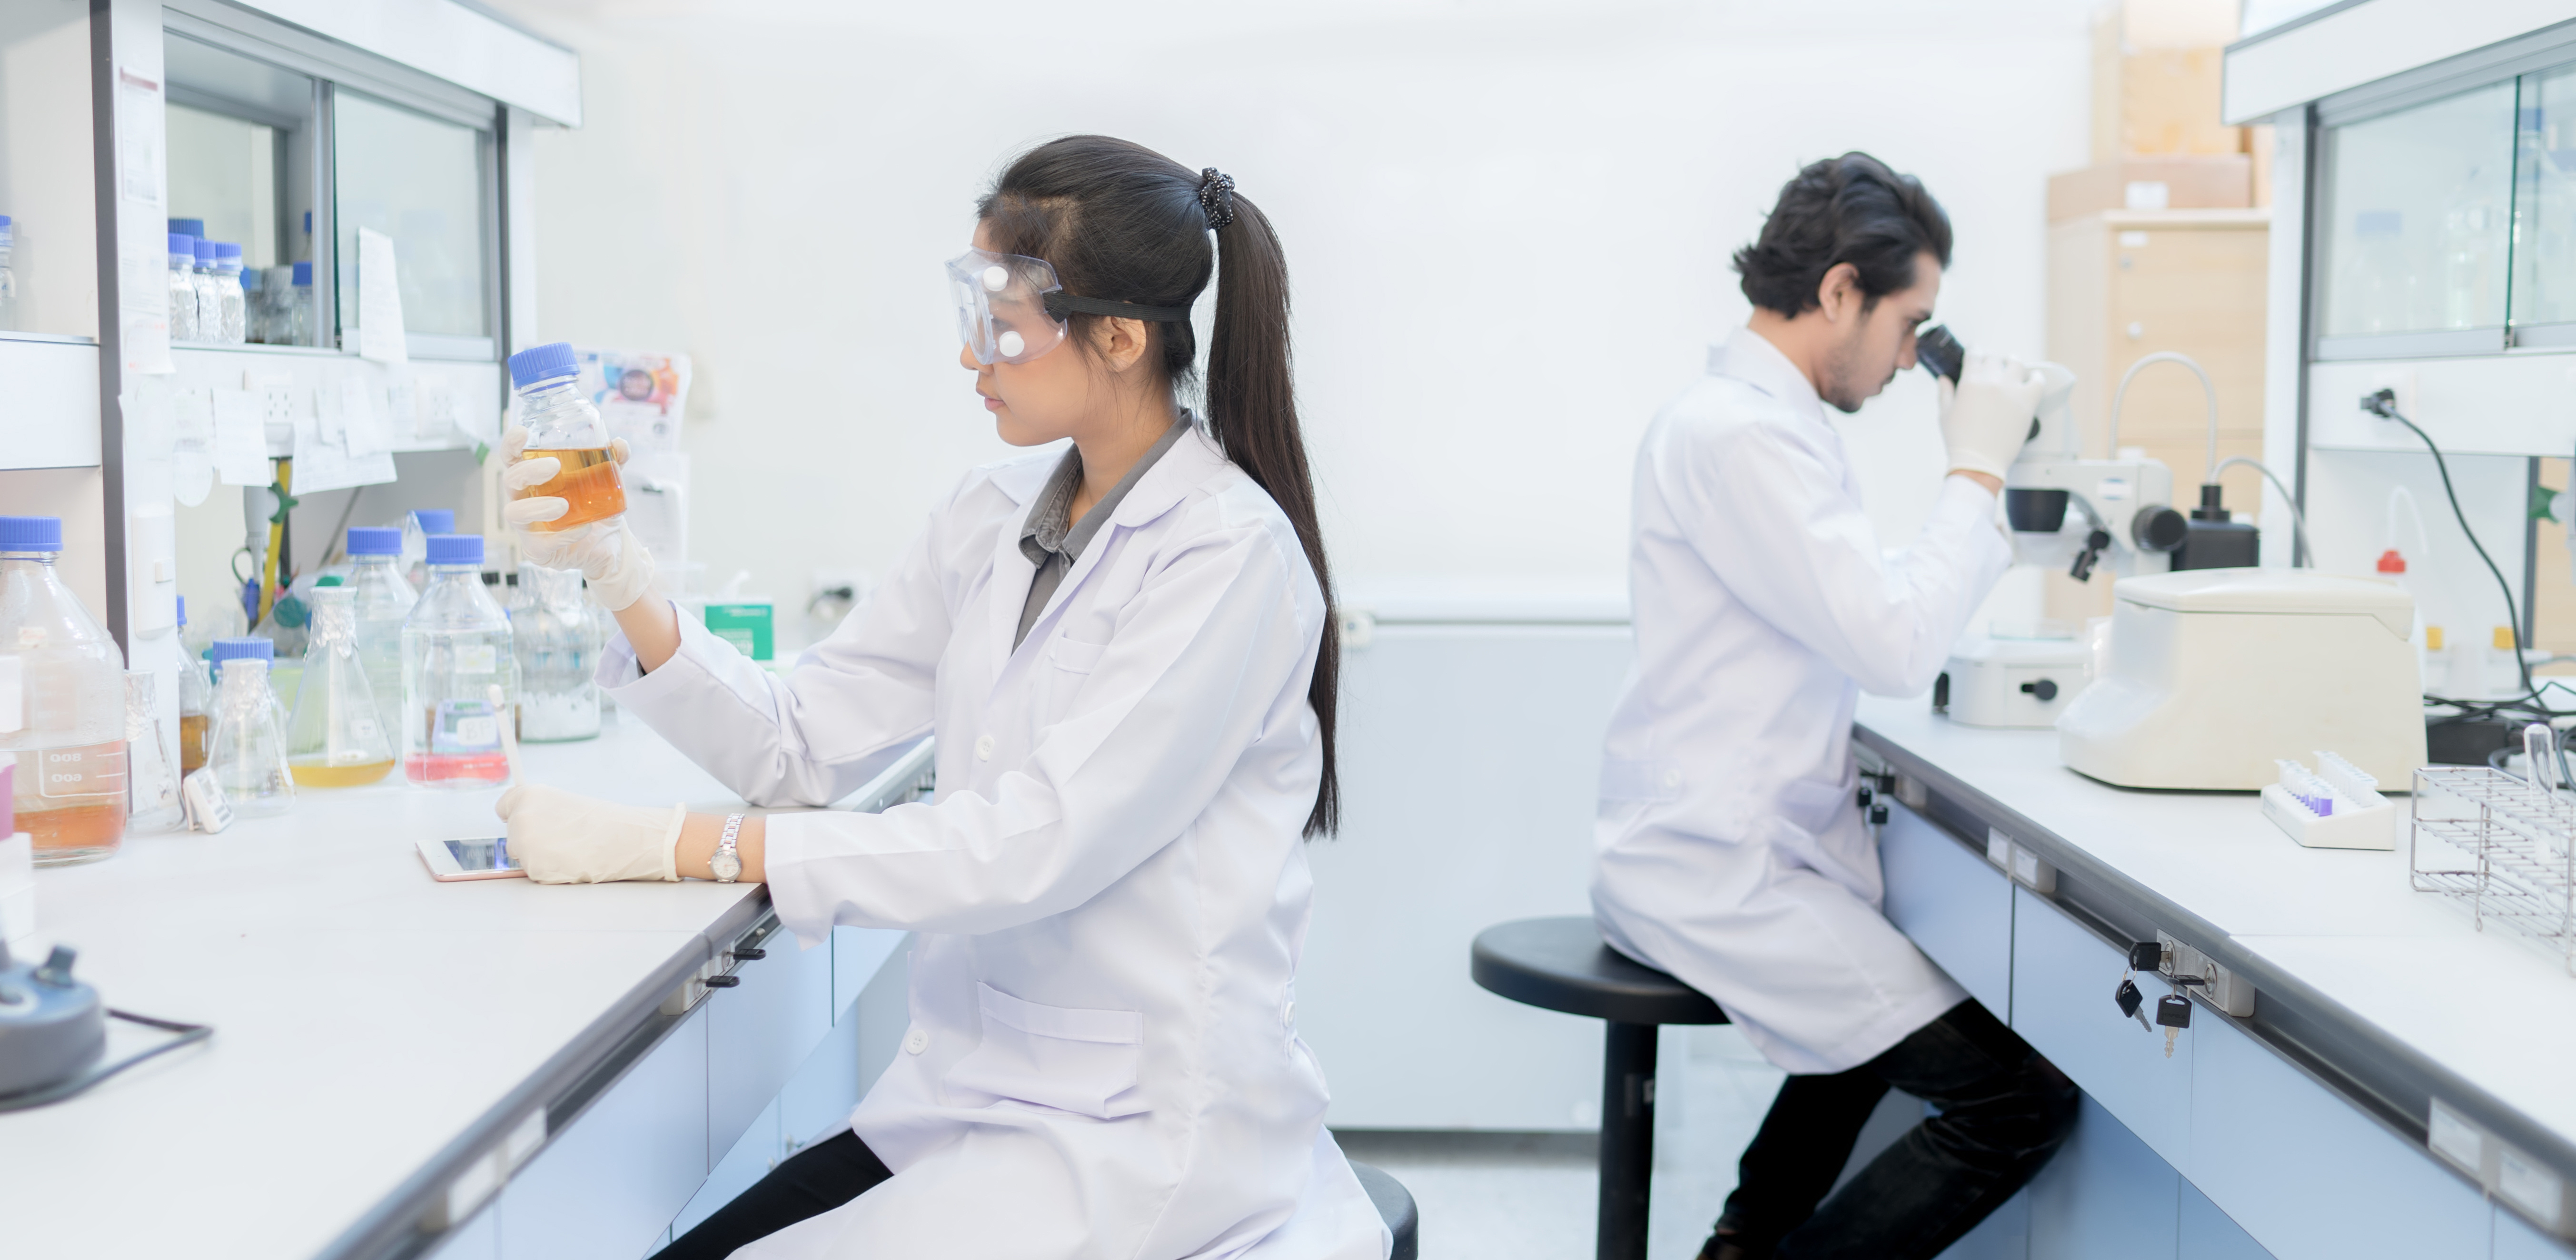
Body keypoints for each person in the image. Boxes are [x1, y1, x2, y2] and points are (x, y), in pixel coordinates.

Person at [491, 137, 1389, 1260]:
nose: (974, 359)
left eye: (1002, 323)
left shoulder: (1229, 558)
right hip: (976, 1094)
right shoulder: (995, 514)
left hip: (1136, 1130)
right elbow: (801, 742)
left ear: (1119, 336)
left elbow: (1031, 844)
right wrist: (621, 573)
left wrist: (687, 845)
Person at [1590, 152, 2077, 1260]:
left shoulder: (1768, 424)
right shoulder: (1741, 434)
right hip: (1716, 866)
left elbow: (1862, 609)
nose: (1914, 359)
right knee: (2018, 1103)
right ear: (1844, 289)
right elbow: (1895, 642)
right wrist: (1978, 472)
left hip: (1732, 845)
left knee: (1855, 1037)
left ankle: (1741, 1244)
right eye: (1914, 323)